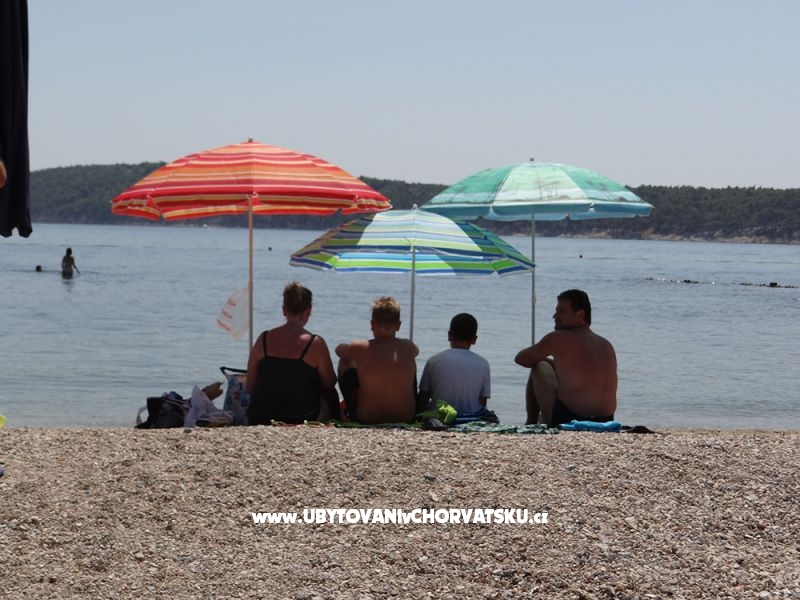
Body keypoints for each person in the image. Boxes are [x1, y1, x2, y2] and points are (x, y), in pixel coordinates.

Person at [514, 289, 617, 426]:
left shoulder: (558, 338)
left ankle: (531, 422)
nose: (554, 316)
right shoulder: (605, 344)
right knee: (548, 364)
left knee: (539, 365)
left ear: (580, 315)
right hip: (606, 420)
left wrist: (545, 360)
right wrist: (555, 364)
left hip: (570, 418)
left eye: (561, 311)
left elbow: (521, 359)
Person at [246, 282, 338, 425]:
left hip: (259, 416)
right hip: (302, 417)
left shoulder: (263, 339)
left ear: (284, 310)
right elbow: (330, 382)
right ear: (309, 310)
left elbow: (250, 387)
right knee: (330, 395)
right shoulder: (315, 343)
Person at [336, 296, 419, 424]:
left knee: (345, 362)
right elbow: (416, 352)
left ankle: (348, 412)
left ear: (372, 324)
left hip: (367, 418)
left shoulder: (361, 347)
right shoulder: (408, 346)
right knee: (409, 362)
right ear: (398, 325)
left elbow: (338, 350)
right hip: (406, 417)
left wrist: (358, 357)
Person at [418, 313, 491, 417]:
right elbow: (482, 402)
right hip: (470, 418)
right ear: (474, 339)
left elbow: (423, 397)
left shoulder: (433, 361)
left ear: (449, 335)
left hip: (439, 417)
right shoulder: (483, 363)